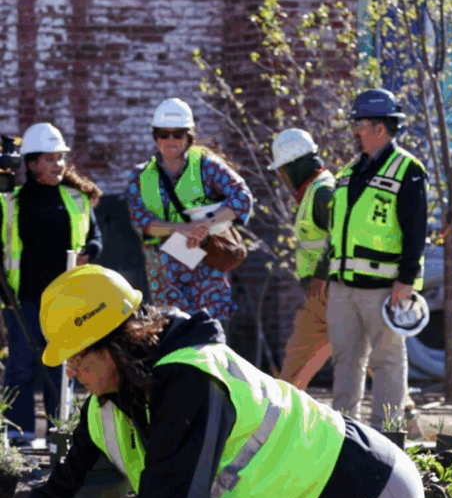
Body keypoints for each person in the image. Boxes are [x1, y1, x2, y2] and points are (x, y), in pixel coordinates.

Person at [0, 264, 424, 498]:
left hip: (364, 497)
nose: (70, 373)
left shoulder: (193, 381)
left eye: (75, 358)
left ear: (113, 342)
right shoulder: (105, 410)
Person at [310, 89, 427, 426]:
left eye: (359, 123)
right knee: (346, 360)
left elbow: (415, 230)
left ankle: (388, 434)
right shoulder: (350, 171)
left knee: (387, 362)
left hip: (385, 287)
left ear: (379, 127)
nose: (354, 130)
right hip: (344, 286)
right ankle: (344, 432)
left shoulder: (408, 170)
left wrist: (406, 281)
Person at [0, 123, 102, 445]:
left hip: (66, 299)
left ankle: (63, 433)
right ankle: (21, 435)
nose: (58, 165)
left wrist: (91, 253)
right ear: (31, 163)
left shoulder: (76, 198)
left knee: (63, 369)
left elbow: (95, 236)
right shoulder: (11, 203)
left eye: (60, 158)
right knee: (21, 367)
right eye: (49, 159)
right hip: (24, 299)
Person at [127, 98, 254, 322]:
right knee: (174, 335)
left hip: (207, 268)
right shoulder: (140, 176)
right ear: (156, 137)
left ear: (188, 137)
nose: (171, 140)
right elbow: (142, 222)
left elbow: (242, 198)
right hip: (165, 275)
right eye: (164, 134)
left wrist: (206, 224)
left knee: (210, 335)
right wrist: (183, 229)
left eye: (178, 134)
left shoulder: (206, 165)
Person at [271, 128, 336, 389]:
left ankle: (404, 416)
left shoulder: (323, 192)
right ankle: (280, 419)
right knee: (295, 366)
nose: (282, 178)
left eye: (283, 170)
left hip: (331, 292)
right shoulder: (314, 192)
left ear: (296, 166)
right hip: (320, 298)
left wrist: (320, 276)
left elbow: (340, 237)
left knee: (370, 357)